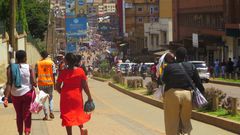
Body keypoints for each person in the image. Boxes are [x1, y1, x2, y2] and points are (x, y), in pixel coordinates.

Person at [162, 47, 205, 135]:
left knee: (172, 121)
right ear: (186, 56)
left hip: (172, 95)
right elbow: (198, 83)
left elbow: (163, 80)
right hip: (187, 95)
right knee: (186, 120)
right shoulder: (191, 66)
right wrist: (202, 94)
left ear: (175, 57)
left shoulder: (169, 67)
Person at [55, 53, 93, 135]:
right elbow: (85, 86)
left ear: (66, 61)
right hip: (77, 97)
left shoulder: (63, 72)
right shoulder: (80, 71)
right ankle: (82, 129)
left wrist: (63, 93)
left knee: (67, 117)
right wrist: (90, 97)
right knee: (78, 114)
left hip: (66, 98)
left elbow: (57, 87)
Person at [4, 50, 36, 135]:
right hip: (27, 94)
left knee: (19, 115)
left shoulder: (11, 68)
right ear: (25, 58)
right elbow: (33, 82)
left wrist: (6, 98)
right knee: (27, 114)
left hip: (15, 95)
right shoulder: (29, 67)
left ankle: (20, 133)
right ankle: (27, 132)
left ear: (16, 58)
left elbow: (9, 83)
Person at [35, 51, 56, 120]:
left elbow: (36, 74)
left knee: (43, 100)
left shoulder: (38, 63)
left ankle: (46, 115)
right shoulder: (51, 63)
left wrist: (35, 83)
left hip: (41, 83)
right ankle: (51, 111)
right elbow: (54, 74)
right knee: (50, 98)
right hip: (50, 83)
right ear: (47, 55)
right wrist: (55, 84)